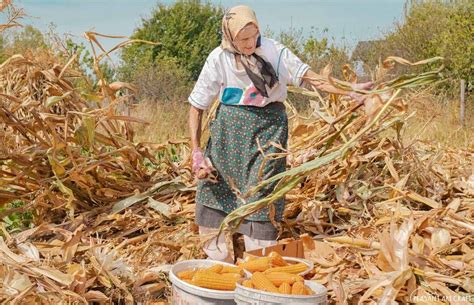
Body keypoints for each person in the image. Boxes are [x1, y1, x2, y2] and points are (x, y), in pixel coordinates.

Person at [188, 5, 371, 262]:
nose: (251, 43)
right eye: (243, 39)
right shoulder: (218, 58)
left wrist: (349, 89)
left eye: (254, 36)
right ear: (230, 37)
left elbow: (311, 78)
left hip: (268, 133)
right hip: (227, 137)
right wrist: (196, 151)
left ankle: (258, 260)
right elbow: (197, 106)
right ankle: (218, 261)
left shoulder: (274, 51)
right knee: (215, 189)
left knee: (263, 193)